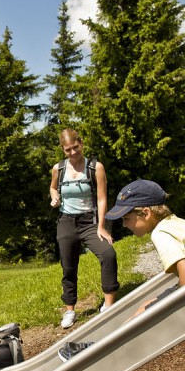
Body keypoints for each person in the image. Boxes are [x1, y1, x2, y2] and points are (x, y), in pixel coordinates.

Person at [58, 179, 185, 362]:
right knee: (144, 307)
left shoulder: (161, 233)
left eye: (126, 219)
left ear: (146, 213)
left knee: (144, 317)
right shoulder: (174, 222)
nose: (124, 225)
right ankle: (102, 345)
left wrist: (181, 304)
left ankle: (101, 352)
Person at [49, 128, 119, 329]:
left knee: (108, 254)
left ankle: (108, 305)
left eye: (75, 147)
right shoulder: (58, 169)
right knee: (68, 266)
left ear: (81, 143)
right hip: (66, 221)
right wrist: (54, 196)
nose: (73, 152)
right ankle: (70, 310)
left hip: (90, 221)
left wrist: (101, 226)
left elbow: (102, 198)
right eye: (68, 150)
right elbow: (53, 187)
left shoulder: (95, 167)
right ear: (63, 150)